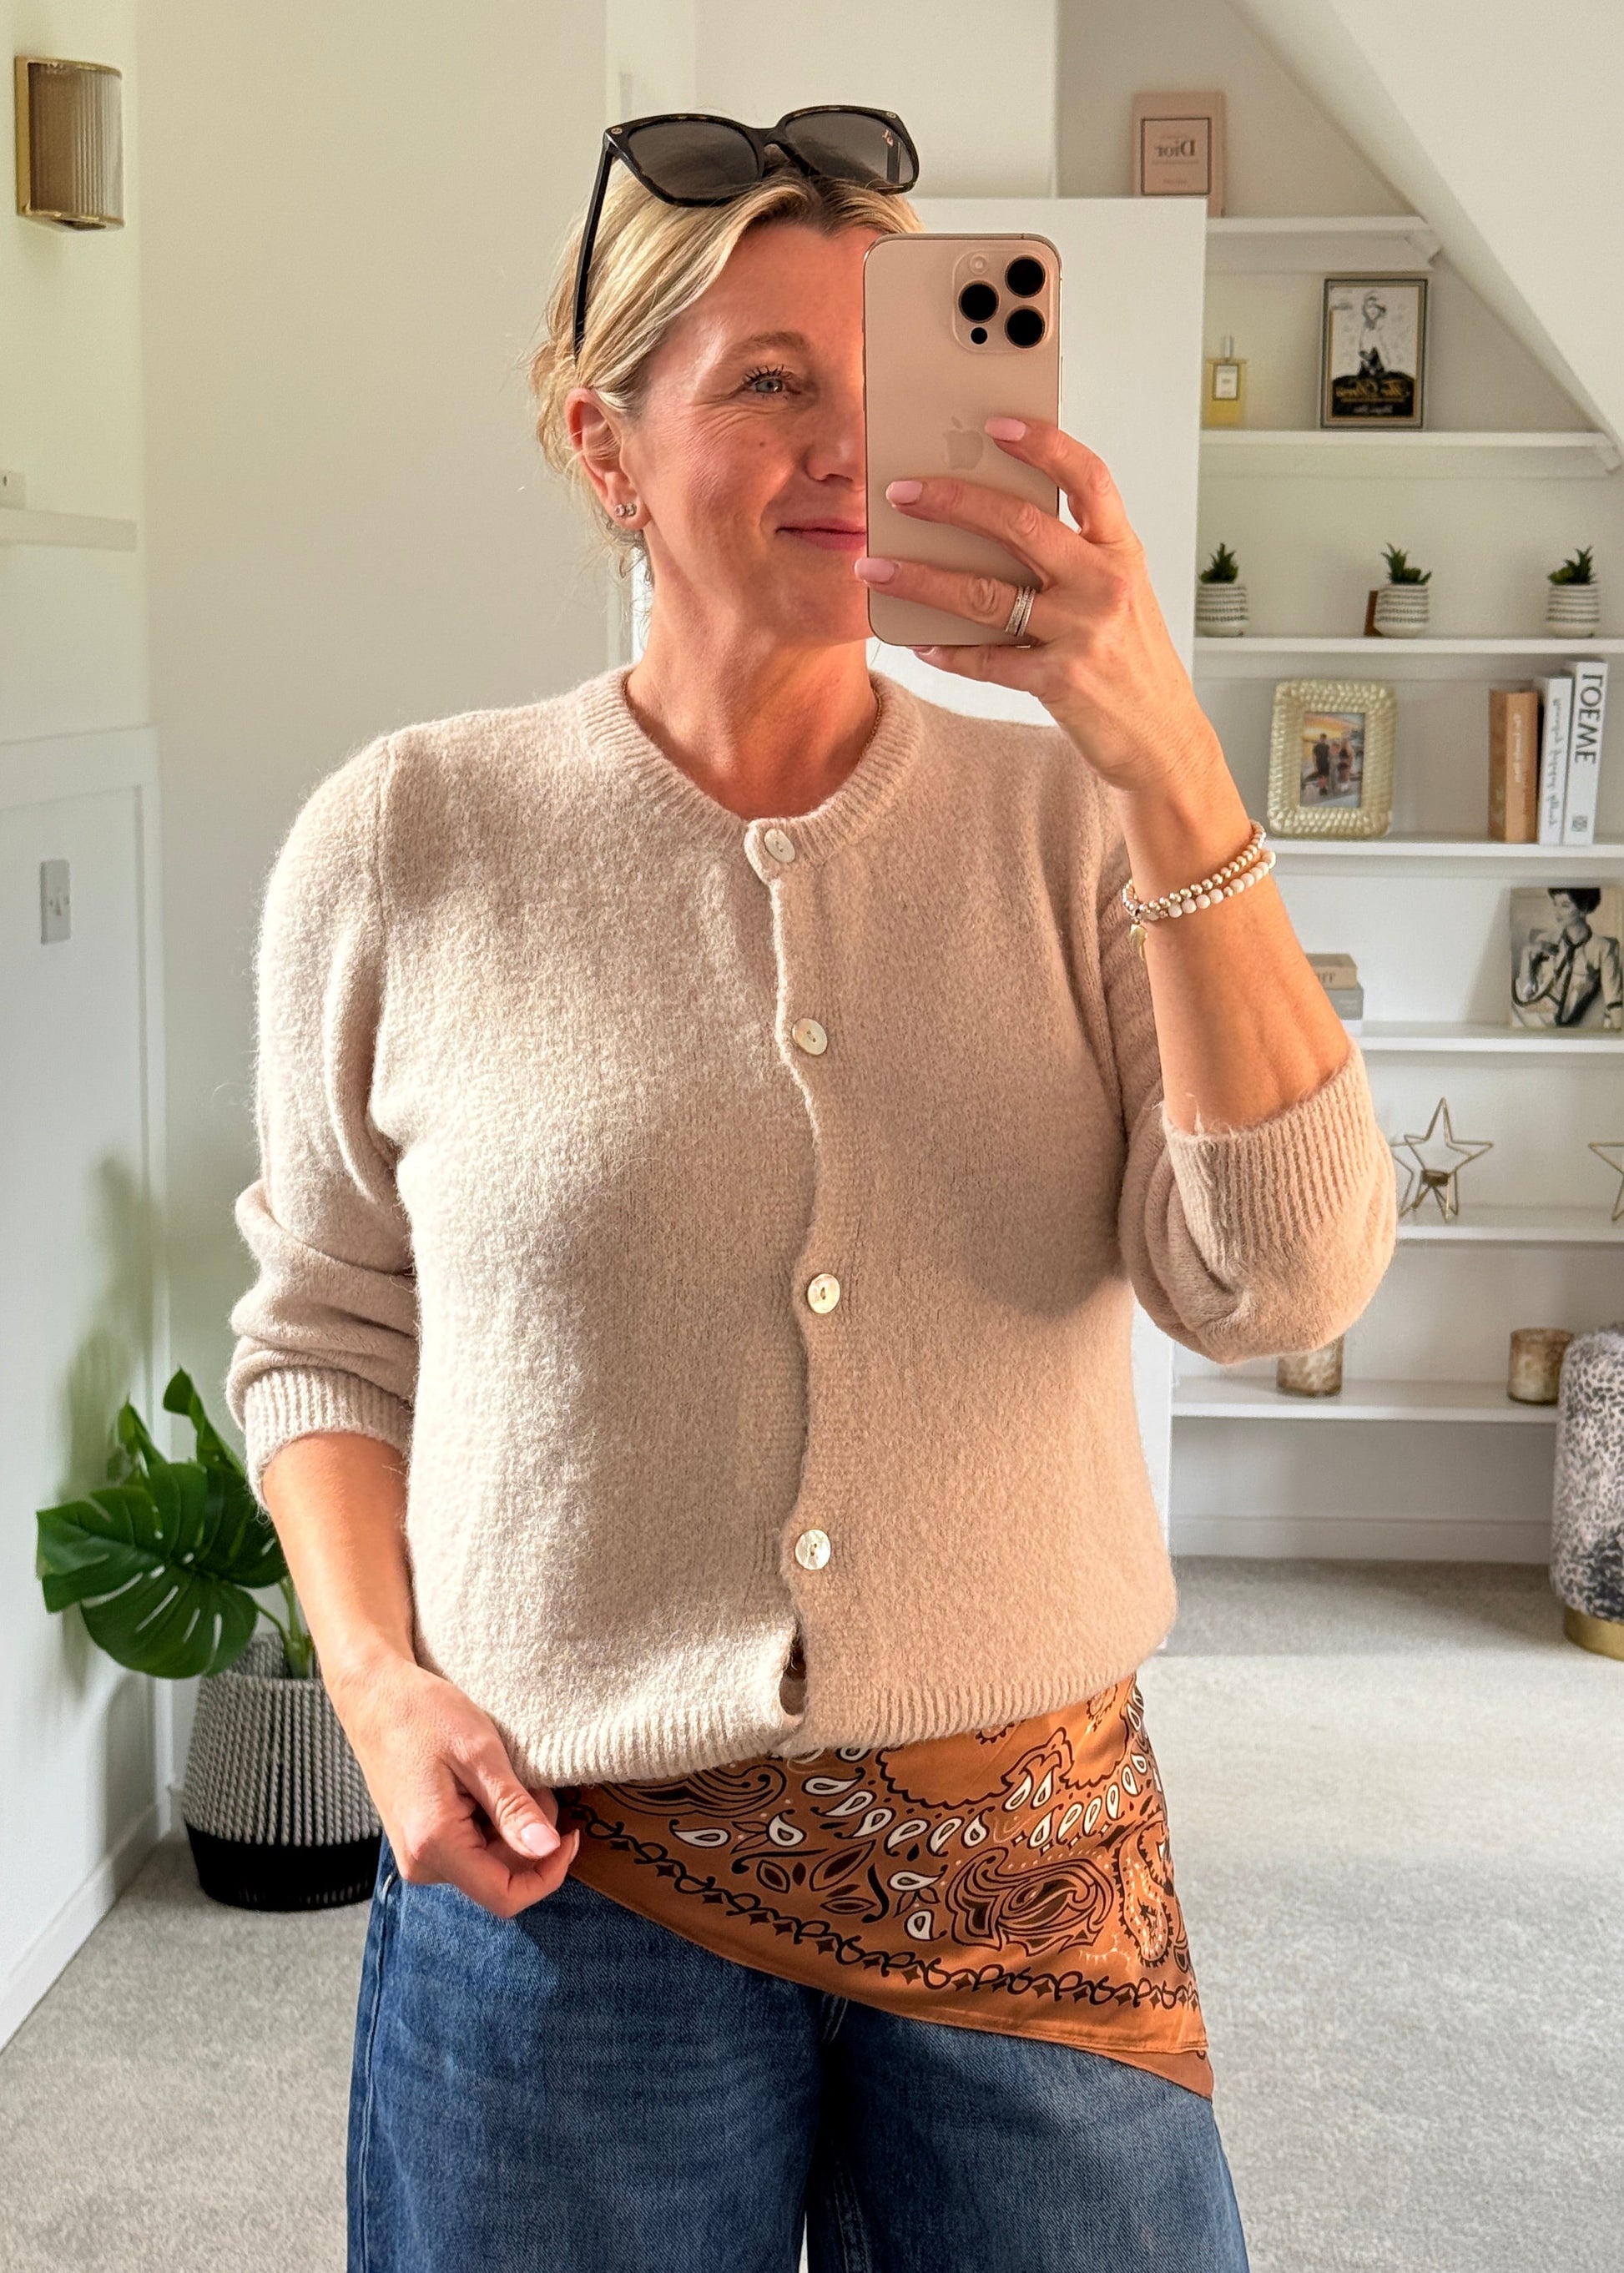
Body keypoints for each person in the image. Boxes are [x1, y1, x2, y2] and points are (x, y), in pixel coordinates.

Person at [224, 106, 1397, 2273]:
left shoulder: (1078, 828)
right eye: (771, 382)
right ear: (603, 446)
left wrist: (1162, 752)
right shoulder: (410, 838)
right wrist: (375, 1680)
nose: (847, 443)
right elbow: (321, 1330)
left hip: (1029, 1890)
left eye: (887, 378)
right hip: (568, 1896)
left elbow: (1282, 1280)